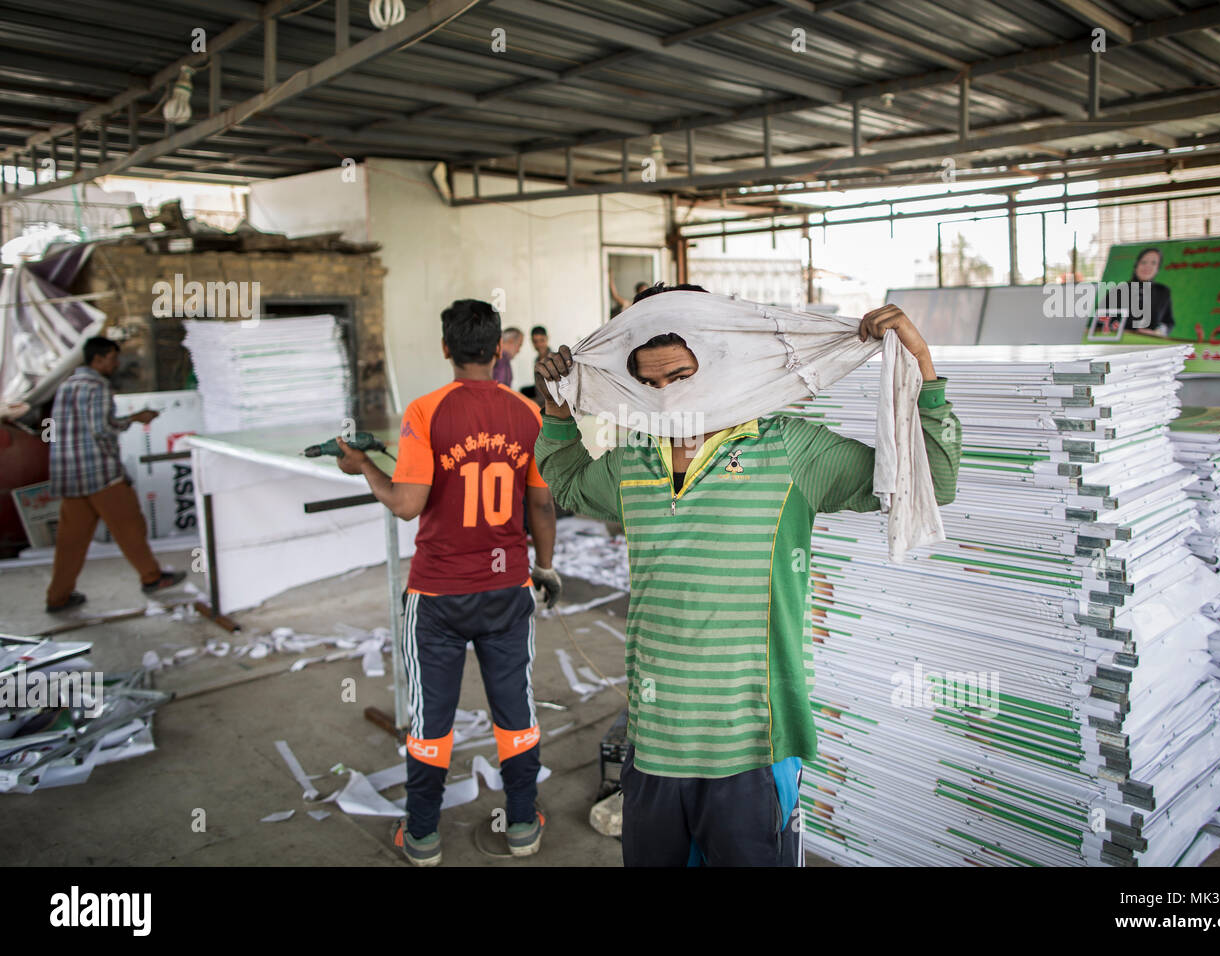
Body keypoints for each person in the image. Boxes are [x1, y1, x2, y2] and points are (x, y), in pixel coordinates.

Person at [533, 283, 961, 867]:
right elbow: (567, 481)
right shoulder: (633, 461)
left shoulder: (790, 452)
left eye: (680, 376)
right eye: (650, 383)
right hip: (655, 741)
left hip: (753, 750)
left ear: (721, 362)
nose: (666, 398)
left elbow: (926, 484)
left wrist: (923, 369)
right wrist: (556, 412)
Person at [336, 298, 562, 867]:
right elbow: (542, 506)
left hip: (437, 595)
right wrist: (544, 567)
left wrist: (364, 467)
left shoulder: (425, 411)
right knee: (515, 711)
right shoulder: (527, 414)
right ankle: (520, 824)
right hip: (507, 589)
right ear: (497, 350)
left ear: (446, 348)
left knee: (430, 719)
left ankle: (423, 836)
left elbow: (407, 504)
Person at [44, 337, 186, 613]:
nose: (116, 363)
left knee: (71, 541)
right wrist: (135, 419)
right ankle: (152, 578)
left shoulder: (66, 386)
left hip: (71, 476)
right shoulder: (97, 386)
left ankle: (57, 597)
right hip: (100, 473)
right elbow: (102, 428)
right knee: (130, 527)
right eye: (112, 358)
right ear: (97, 360)